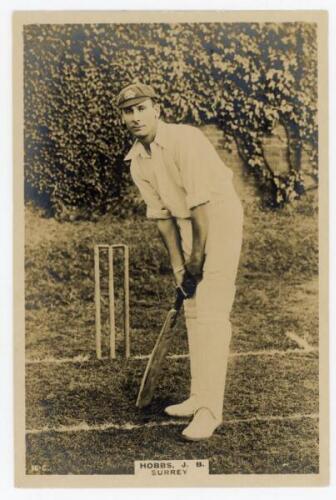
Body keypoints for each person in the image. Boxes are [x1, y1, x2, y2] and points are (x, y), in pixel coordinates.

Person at [117, 82, 243, 441]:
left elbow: (201, 205)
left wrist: (197, 258)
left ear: (157, 108)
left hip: (218, 218)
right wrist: (179, 267)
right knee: (192, 311)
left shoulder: (184, 140)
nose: (136, 116)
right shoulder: (137, 162)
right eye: (128, 111)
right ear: (123, 118)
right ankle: (198, 395)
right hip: (188, 224)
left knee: (212, 313)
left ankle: (209, 411)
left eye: (142, 108)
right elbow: (162, 217)